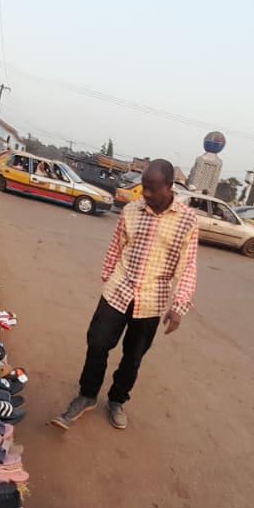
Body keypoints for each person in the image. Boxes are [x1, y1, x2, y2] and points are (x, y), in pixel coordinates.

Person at [51, 160, 198, 431]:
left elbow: (188, 265)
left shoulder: (188, 220)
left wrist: (179, 305)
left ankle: (117, 400)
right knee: (97, 342)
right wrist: (108, 278)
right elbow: (116, 247)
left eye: (152, 189)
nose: (146, 194)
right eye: (144, 187)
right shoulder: (131, 211)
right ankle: (87, 395)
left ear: (169, 186)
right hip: (118, 290)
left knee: (133, 356)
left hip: (151, 300)